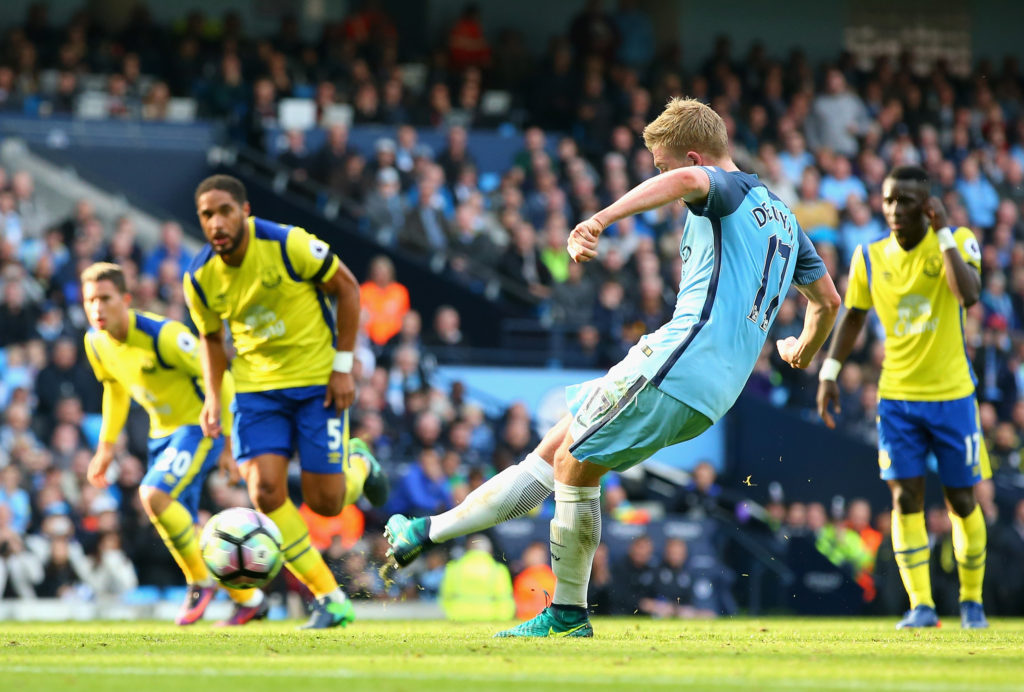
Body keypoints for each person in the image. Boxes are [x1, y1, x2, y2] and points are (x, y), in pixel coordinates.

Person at [384, 97, 839, 637]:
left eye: (663, 165)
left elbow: (691, 178)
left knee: (574, 463)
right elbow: (827, 300)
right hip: (712, 385)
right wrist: (803, 352)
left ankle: (568, 613)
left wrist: (599, 219)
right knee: (553, 454)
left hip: (678, 360)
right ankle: (425, 531)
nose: (664, 176)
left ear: (693, 156)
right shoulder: (784, 218)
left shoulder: (724, 186)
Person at [183, 175, 389, 629]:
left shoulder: (287, 244)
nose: (216, 222)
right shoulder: (199, 277)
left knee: (328, 503)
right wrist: (214, 399)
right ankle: (329, 598)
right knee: (265, 492)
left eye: (224, 211)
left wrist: (342, 367)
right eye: (206, 215)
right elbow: (211, 339)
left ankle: (359, 464)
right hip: (257, 392)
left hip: (318, 384)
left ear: (245, 211)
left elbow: (349, 289)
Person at [816, 165, 990, 630]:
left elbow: (969, 295)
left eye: (906, 201)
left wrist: (946, 234)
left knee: (961, 501)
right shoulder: (870, 256)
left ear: (927, 206)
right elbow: (853, 315)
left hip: (953, 396)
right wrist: (830, 371)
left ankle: (972, 601)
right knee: (904, 500)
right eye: (889, 200)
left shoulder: (958, 241)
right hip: (897, 399)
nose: (894, 209)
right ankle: (921, 606)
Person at [80, 262, 263, 626]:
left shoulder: (164, 335)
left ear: (126, 300)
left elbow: (220, 378)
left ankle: (198, 582)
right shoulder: (95, 342)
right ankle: (250, 598)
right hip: (160, 435)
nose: (97, 308)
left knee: (152, 495)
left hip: (198, 428)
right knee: (179, 523)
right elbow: (114, 390)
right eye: (90, 300)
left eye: (105, 298)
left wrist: (229, 443)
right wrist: (106, 447)